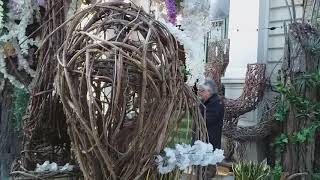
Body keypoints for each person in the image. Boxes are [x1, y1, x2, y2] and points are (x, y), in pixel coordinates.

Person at [198, 79, 224, 150]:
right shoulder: (204, 102)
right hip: (201, 139)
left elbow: (207, 120)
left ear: (209, 91)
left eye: (202, 91)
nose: (200, 93)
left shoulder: (217, 103)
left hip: (210, 142)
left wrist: (196, 110)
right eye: (199, 90)